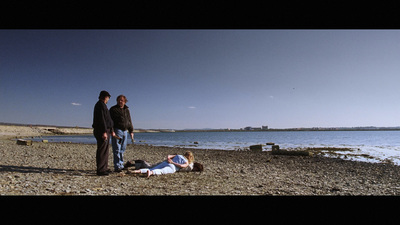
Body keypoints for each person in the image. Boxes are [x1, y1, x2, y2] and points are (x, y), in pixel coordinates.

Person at [92, 90, 115, 176]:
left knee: (105, 150)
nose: (108, 100)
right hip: (102, 131)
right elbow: (101, 120)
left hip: (106, 130)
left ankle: (104, 167)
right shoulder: (100, 105)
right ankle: (101, 170)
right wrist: (104, 132)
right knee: (102, 150)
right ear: (105, 97)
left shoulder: (103, 105)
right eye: (108, 98)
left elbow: (107, 120)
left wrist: (111, 130)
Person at [109, 95, 134, 172]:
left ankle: (121, 164)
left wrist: (131, 131)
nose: (120, 101)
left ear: (125, 101)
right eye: (119, 100)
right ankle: (117, 166)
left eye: (122, 100)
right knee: (117, 148)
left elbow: (129, 120)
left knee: (122, 149)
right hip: (117, 131)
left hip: (125, 131)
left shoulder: (126, 110)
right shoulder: (113, 109)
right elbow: (110, 121)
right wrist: (112, 131)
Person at [130, 151, 199, 178]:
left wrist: (169, 160)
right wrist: (173, 163)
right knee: (161, 171)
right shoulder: (186, 161)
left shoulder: (179, 155)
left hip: (166, 162)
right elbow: (181, 166)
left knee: (152, 168)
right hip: (173, 167)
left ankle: (137, 171)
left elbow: (169, 156)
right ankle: (150, 173)